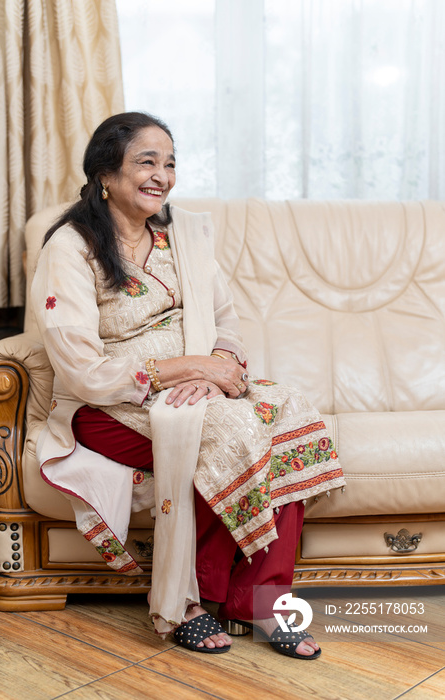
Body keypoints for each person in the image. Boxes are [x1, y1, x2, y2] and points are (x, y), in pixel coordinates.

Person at [31, 112, 345, 658]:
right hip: (109, 406)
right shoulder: (71, 246)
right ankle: (189, 601)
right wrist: (189, 369)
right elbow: (81, 369)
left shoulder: (184, 234)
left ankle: (264, 602)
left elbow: (226, 319)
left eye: (170, 163)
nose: (162, 175)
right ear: (105, 172)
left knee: (292, 414)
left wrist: (219, 367)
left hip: (197, 389)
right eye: (146, 162)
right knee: (234, 432)